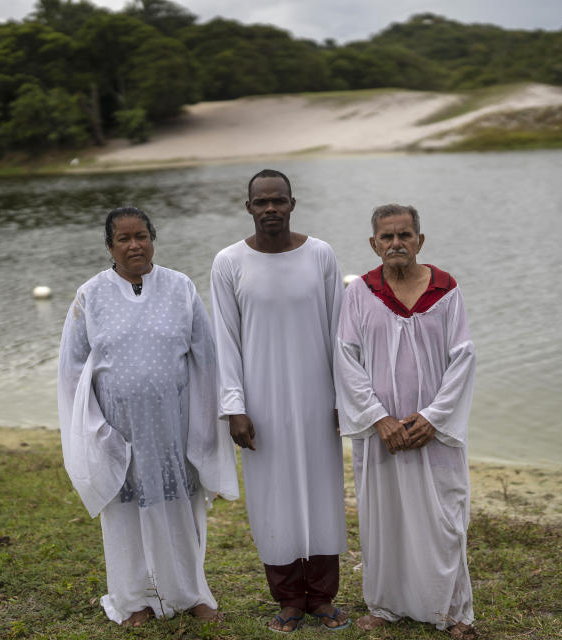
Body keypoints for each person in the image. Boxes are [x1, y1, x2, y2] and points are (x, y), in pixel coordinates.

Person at [58, 206, 238, 628]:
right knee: (123, 517)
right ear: (110, 246)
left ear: (152, 239)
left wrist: (212, 423)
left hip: (173, 428)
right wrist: (92, 431)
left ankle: (191, 593)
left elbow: (207, 360)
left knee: (181, 509)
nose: (134, 245)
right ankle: (133, 600)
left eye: (141, 236)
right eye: (124, 238)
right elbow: (71, 371)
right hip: (117, 432)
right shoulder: (90, 296)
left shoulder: (180, 288)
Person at [210, 170, 350, 633]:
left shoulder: (321, 255)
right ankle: (289, 599)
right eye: (261, 202)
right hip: (261, 402)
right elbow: (225, 341)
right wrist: (234, 406)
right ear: (247, 207)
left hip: (317, 399)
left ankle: (323, 597)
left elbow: (339, 333)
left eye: (279, 201)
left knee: (323, 494)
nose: (271, 209)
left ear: (293, 203)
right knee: (272, 499)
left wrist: (341, 398)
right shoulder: (228, 262)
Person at [333, 204, 477, 638]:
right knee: (384, 519)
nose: (396, 243)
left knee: (445, 520)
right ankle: (385, 605)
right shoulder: (360, 292)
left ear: (420, 240)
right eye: (387, 237)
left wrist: (434, 418)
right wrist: (378, 419)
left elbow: (463, 359)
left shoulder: (446, 289)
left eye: (405, 235)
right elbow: (346, 358)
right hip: (383, 434)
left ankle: (453, 611)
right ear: (374, 244)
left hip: (432, 432)